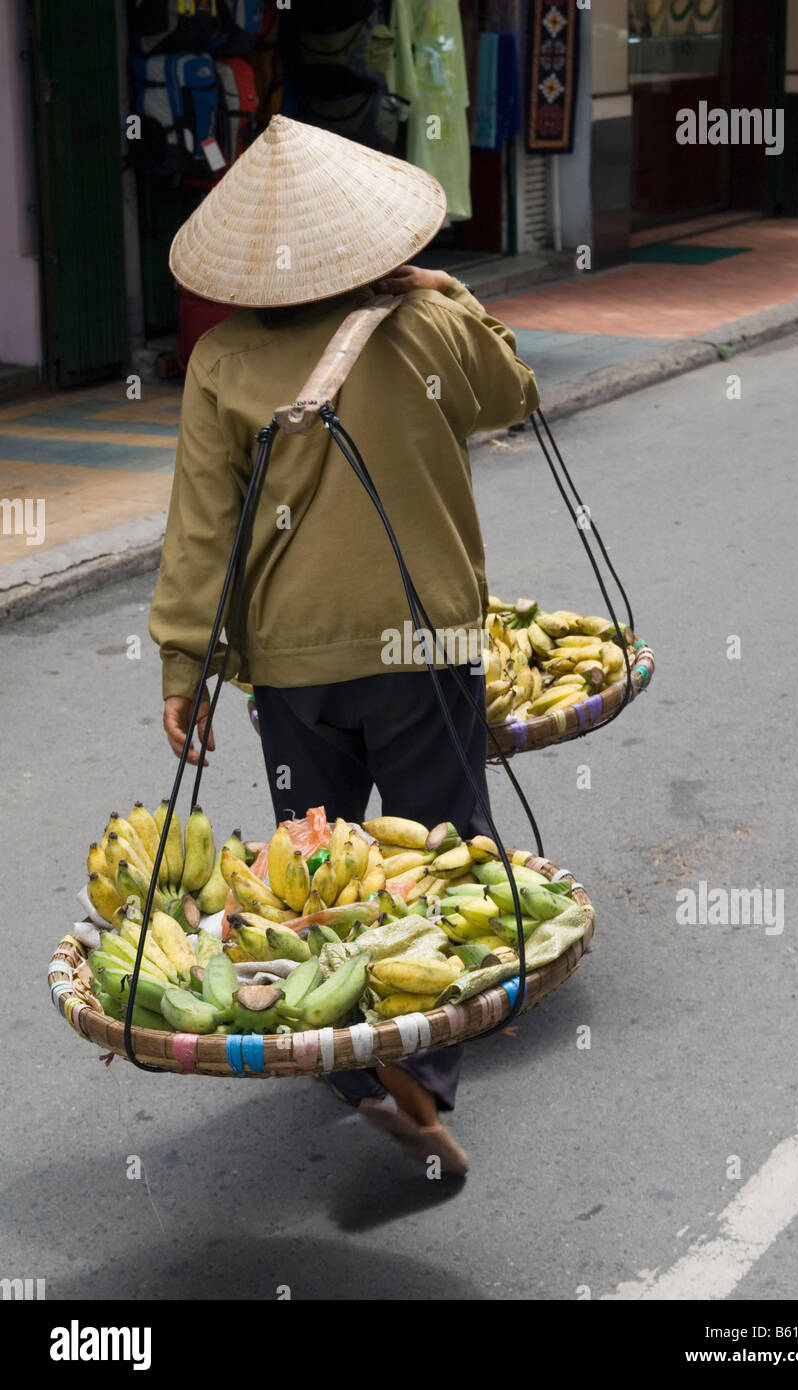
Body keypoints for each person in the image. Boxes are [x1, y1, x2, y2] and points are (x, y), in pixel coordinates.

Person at [150, 115, 539, 1175]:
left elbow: (199, 528)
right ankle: (422, 1075)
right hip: (424, 650)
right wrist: (447, 293)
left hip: (291, 669)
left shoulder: (222, 358)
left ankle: (346, 1054)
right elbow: (516, 390)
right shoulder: (429, 330)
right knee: (441, 858)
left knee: (314, 874)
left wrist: (186, 667)